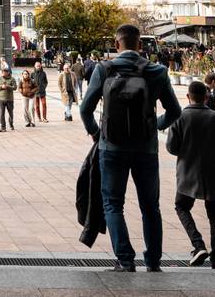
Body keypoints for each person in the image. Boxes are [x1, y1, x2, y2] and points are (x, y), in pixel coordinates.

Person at [79, 23, 182, 273]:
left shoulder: (104, 69)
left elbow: (85, 109)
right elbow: (174, 111)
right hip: (146, 148)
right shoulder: (157, 72)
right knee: (150, 206)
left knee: (113, 204)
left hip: (111, 147)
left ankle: (125, 260)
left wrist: (97, 133)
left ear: (117, 44)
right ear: (140, 44)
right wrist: (154, 125)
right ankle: (153, 261)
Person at [165, 80, 215, 269]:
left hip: (187, 173)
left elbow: (171, 147)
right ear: (206, 97)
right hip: (213, 174)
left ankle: (198, 244)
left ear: (188, 96)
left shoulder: (180, 117)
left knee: (181, 206)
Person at [0, 67, 17, 132]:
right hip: (1, 99)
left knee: (11, 113)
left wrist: (8, 86)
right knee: (2, 114)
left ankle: (11, 123)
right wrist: (1, 87)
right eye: (2, 72)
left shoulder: (12, 79)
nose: (3, 73)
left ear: (8, 72)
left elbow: (15, 87)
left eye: (5, 72)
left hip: (10, 99)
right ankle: (3, 127)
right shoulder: (0, 78)